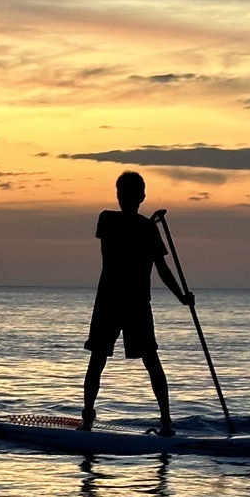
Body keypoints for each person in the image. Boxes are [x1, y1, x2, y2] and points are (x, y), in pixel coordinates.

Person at [82, 171, 193, 435]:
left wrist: (182, 297)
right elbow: (119, 240)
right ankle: (87, 420)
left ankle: (166, 423)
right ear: (117, 196)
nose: (125, 199)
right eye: (121, 194)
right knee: (97, 360)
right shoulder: (108, 219)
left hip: (136, 306)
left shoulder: (147, 228)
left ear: (141, 197)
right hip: (109, 303)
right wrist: (145, 226)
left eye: (130, 195)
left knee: (151, 360)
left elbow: (163, 270)